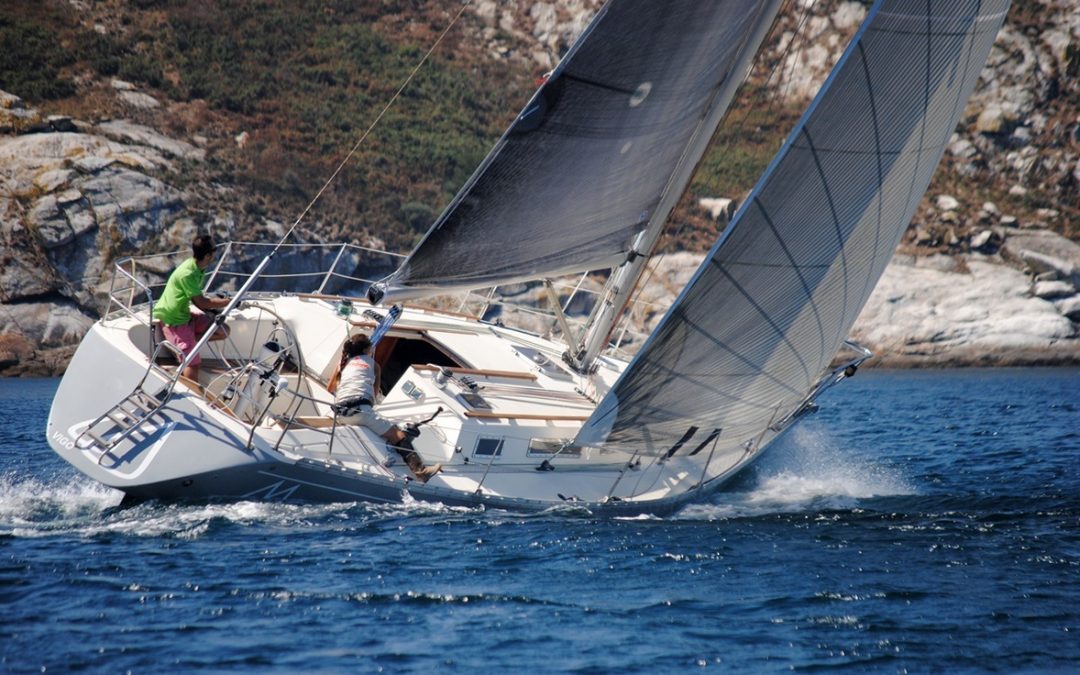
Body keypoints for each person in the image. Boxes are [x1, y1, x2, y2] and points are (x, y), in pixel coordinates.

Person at [330, 333, 442, 483]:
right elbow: (375, 395)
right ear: (367, 349)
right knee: (398, 435)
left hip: (339, 412)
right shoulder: (373, 364)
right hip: (360, 412)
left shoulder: (343, 363)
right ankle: (421, 472)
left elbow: (334, 387)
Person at [152, 234, 231, 384]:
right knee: (193, 364)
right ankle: (188, 391)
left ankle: (188, 344)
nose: (216, 253)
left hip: (185, 315)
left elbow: (198, 299)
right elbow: (201, 303)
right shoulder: (188, 273)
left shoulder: (197, 267)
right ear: (208, 255)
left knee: (223, 330)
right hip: (174, 321)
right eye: (214, 250)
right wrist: (226, 302)